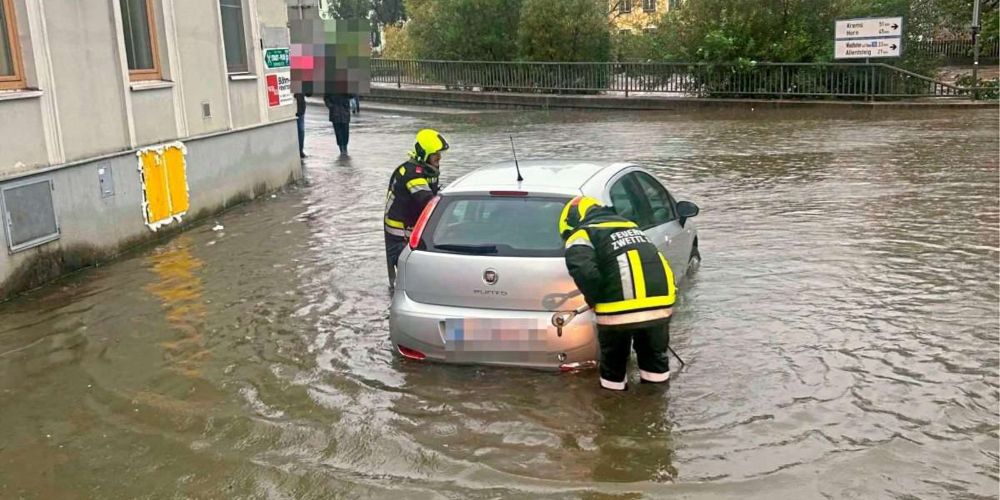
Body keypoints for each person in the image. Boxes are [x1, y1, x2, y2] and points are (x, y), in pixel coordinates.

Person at [559, 196, 676, 391]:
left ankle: (613, 407)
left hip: (617, 309)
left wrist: (594, 298)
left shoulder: (582, 234)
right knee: (654, 358)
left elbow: (584, 272)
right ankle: (656, 406)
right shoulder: (631, 227)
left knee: (614, 363)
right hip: (660, 305)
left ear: (570, 221)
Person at [383, 129, 449, 288]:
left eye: (439, 154)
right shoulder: (413, 174)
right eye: (435, 154)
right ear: (424, 154)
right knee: (407, 278)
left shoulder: (425, 169)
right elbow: (428, 202)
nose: (439, 158)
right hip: (399, 232)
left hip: (410, 227)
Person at [294, 92, 308, 158]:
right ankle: (294, 151)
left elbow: (309, 93)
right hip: (289, 108)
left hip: (300, 110)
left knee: (301, 130)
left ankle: (300, 150)